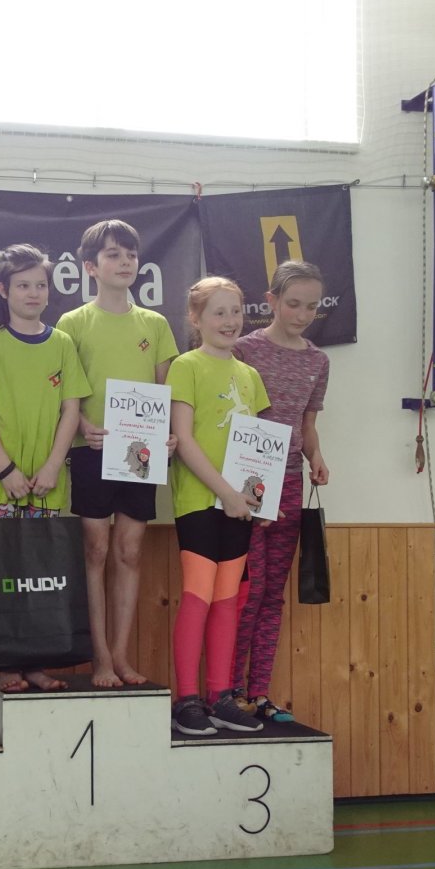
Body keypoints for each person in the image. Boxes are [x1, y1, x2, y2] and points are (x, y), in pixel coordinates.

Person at [0, 244, 90, 694]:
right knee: (7, 575)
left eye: (40, 285)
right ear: (3, 290)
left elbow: (71, 411)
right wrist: (6, 469)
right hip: (2, 484)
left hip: (49, 484)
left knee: (44, 576)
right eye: (23, 285)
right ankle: (8, 665)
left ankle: (37, 664)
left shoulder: (62, 343)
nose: (34, 293)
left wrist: (52, 466)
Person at [57, 220, 179, 688]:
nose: (125, 261)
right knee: (96, 550)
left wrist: (169, 434)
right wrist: (82, 426)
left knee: (129, 551)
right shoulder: (72, 324)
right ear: (90, 267)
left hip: (140, 454)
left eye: (130, 253)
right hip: (92, 452)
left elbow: (167, 392)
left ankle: (122, 656)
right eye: (113, 254)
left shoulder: (155, 324)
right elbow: (64, 394)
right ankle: (100, 658)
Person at [165, 277, 270, 736]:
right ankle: (187, 700)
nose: (230, 321)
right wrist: (225, 492)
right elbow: (184, 439)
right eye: (219, 312)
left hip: (239, 508)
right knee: (198, 596)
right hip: (199, 501)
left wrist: (259, 497)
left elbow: (258, 447)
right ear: (197, 318)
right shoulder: (186, 366)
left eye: (236, 311)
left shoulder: (250, 375)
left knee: (229, 601)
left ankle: (221, 696)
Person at [231, 261, 332, 724]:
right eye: (293, 304)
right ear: (270, 301)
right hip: (248, 479)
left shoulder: (317, 361)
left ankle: (259, 692)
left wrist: (316, 456)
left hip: (290, 480)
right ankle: (230, 689)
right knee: (247, 591)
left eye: (312, 307)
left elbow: (307, 424)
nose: (303, 315)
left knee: (274, 593)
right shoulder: (244, 350)